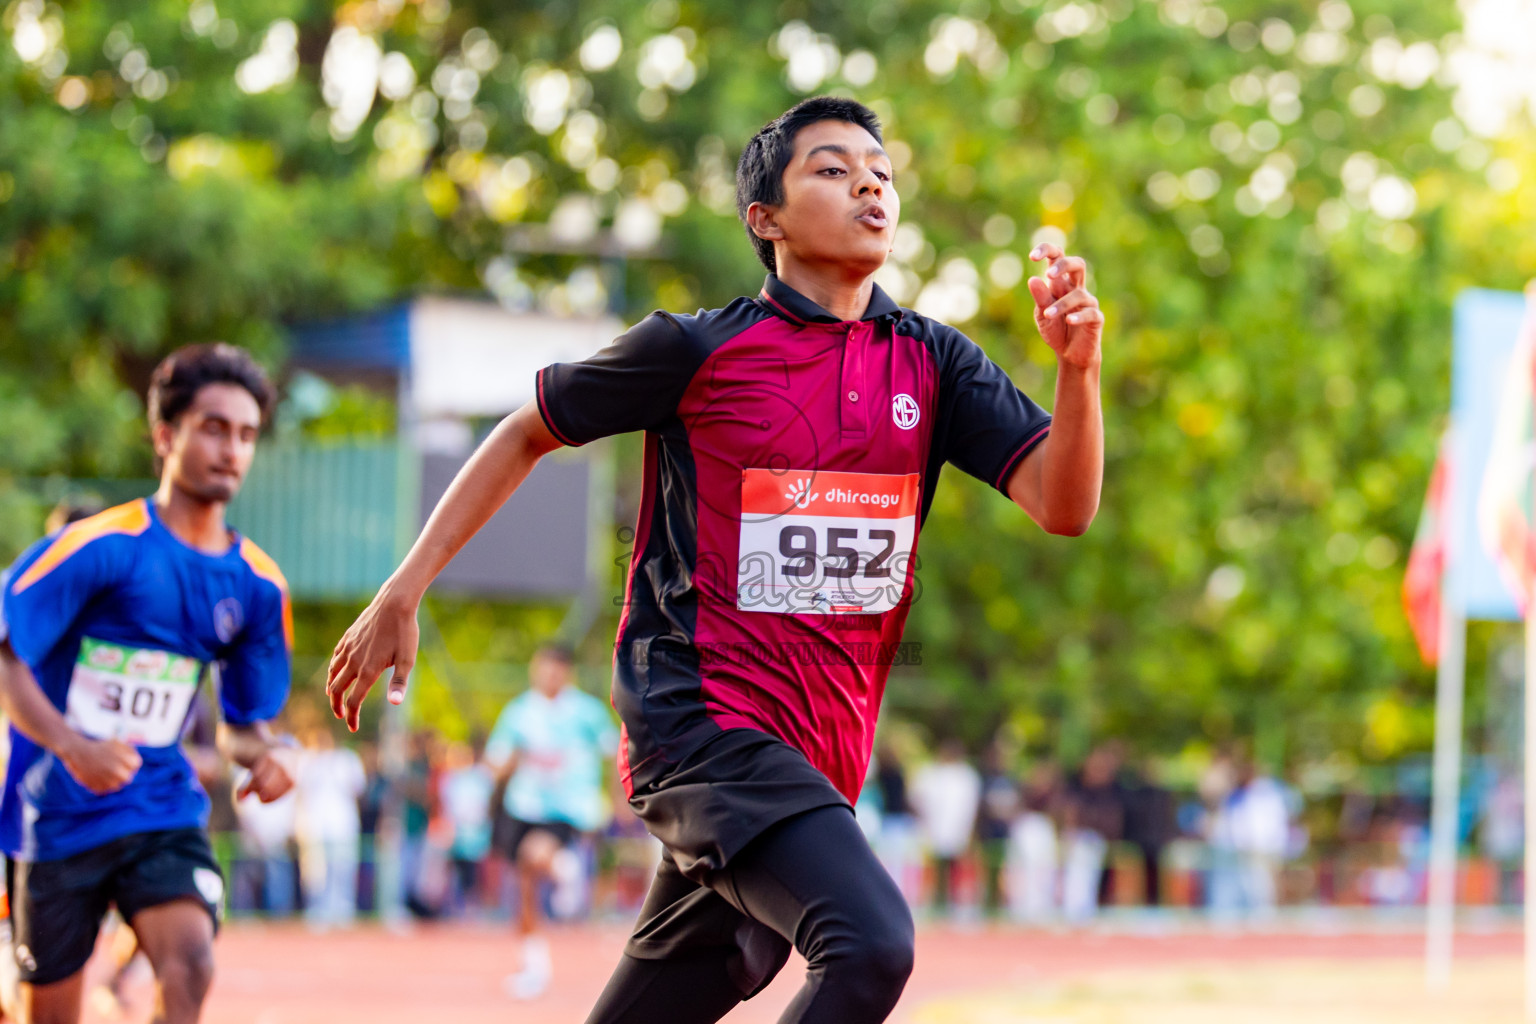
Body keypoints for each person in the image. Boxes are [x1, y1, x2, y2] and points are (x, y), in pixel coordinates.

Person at [326, 95, 1104, 1023]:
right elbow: (524, 433)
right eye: (831, 167)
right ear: (763, 219)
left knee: (709, 974)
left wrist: (1078, 368)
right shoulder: (698, 348)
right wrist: (403, 591)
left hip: (816, 761)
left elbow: (1063, 504)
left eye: (881, 172)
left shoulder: (934, 364)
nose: (869, 183)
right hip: (699, 728)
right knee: (869, 946)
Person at [0, 344, 295, 1024]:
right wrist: (75, 747)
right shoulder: (101, 547)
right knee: (46, 1015)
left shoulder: (257, 585)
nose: (232, 450)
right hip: (60, 813)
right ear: (166, 436)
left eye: (247, 435)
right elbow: (7, 655)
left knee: (191, 963)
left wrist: (266, 756)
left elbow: (242, 724)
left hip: (161, 809)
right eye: (214, 428)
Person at [483, 644, 619, 999]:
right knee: (524, 886)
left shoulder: (587, 713)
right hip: (522, 806)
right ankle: (533, 965)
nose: (548, 675)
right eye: (543, 668)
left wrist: (617, 800)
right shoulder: (519, 712)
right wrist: (507, 766)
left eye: (556, 669)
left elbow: (616, 755)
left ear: (566, 672)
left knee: (534, 854)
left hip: (567, 809)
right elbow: (495, 761)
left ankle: (566, 870)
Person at [294, 725, 366, 930]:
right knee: (315, 872)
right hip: (315, 826)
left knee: (342, 868)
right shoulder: (307, 760)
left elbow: (357, 789)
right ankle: (318, 909)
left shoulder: (347, 760)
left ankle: (342, 909)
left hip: (342, 825)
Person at [909, 740, 982, 915]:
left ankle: (955, 902)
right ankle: (931, 900)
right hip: (932, 827)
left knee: (956, 866)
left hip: (957, 828)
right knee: (932, 865)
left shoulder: (966, 776)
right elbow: (916, 799)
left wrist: (970, 830)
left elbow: (971, 806)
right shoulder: (930, 773)